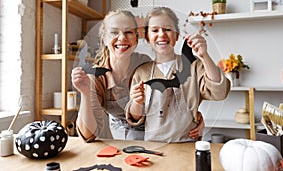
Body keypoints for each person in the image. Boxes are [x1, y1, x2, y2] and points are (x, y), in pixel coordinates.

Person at [126, 7, 230, 142]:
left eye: (168, 29)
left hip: (188, 144)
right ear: (147, 37)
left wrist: (205, 56)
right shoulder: (141, 72)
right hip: (153, 147)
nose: (162, 34)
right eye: (155, 30)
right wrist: (137, 101)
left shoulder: (194, 66)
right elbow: (135, 117)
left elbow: (219, 92)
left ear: (176, 36)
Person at [71, 9, 151, 142]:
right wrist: (85, 94)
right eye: (114, 32)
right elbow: (88, 135)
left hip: (151, 127)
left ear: (136, 38)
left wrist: (195, 116)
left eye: (128, 32)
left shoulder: (145, 64)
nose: (122, 38)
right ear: (104, 38)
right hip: (118, 130)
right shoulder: (96, 76)